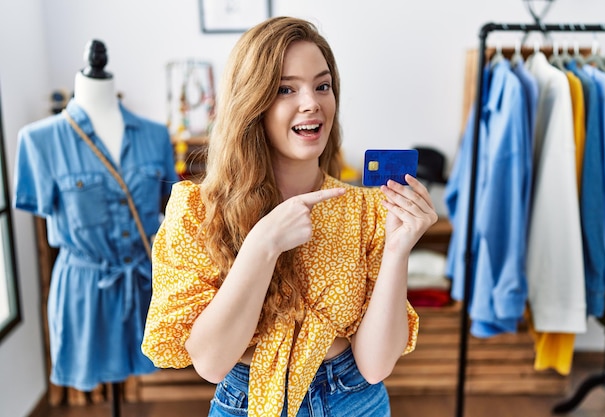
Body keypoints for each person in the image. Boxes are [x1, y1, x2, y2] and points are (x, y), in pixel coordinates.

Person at [141, 16, 437, 417]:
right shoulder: (197, 210)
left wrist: (398, 248)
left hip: (353, 399)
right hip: (245, 402)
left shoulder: (366, 208)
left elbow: (376, 365)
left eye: (323, 85)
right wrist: (262, 245)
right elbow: (211, 364)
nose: (312, 102)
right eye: (286, 88)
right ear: (252, 102)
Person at [13, 39, 179, 392]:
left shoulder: (155, 135)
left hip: (144, 285)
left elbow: (165, 206)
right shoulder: (38, 141)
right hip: (84, 290)